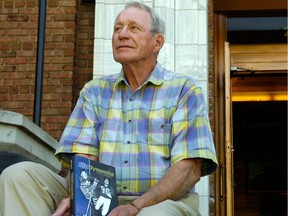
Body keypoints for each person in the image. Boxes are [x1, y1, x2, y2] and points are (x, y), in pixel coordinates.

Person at [0, 1, 218, 216]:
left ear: (157, 42)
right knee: (18, 175)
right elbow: (84, 161)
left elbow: (189, 169)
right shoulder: (94, 91)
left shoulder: (184, 90)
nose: (122, 34)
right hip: (99, 196)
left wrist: (136, 206)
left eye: (134, 28)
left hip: (163, 201)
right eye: (117, 28)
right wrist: (80, 201)